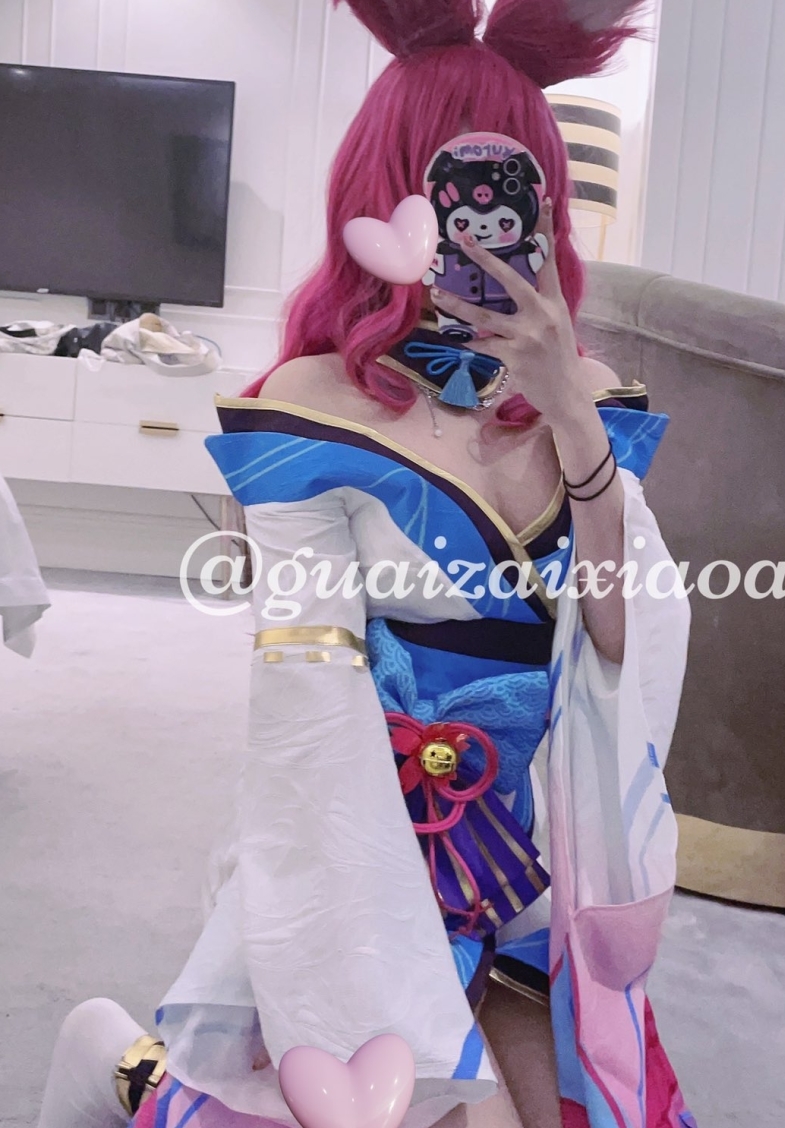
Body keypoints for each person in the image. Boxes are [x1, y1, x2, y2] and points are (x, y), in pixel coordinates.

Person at [36, 2, 695, 1126]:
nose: (482, 226)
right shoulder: (311, 409)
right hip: (355, 833)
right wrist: (348, 950)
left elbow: (623, 646)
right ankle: (110, 1058)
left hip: (523, 852)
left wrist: (573, 422)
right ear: (390, 195)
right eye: (455, 190)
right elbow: (307, 685)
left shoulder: (587, 398)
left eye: (511, 192)